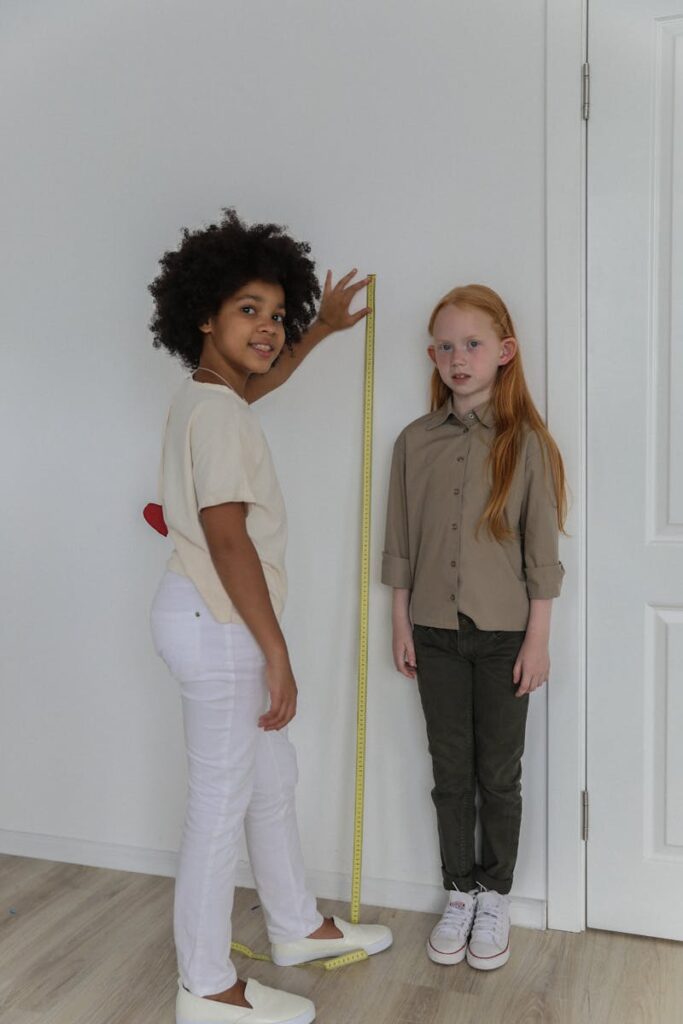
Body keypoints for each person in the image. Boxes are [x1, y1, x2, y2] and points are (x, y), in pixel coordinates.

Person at [149, 209, 392, 1024]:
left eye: (274, 312)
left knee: (270, 780)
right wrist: (275, 650)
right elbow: (227, 540)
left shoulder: (210, 394)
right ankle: (206, 984)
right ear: (204, 317)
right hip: (222, 619)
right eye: (247, 310)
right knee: (221, 803)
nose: (267, 328)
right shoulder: (218, 413)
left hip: (208, 615)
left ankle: (295, 927)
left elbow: (261, 380)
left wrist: (316, 329)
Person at [382, 284, 566, 971]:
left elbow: (540, 555)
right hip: (431, 632)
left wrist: (537, 640)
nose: (457, 358)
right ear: (432, 355)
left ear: (503, 352)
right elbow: (400, 542)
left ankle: (495, 893)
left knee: (498, 774)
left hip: (501, 640)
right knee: (448, 772)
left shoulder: (526, 446)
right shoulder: (413, 442)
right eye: (445, 346)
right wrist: (399, 623)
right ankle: (456, 890)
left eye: (472, 344)